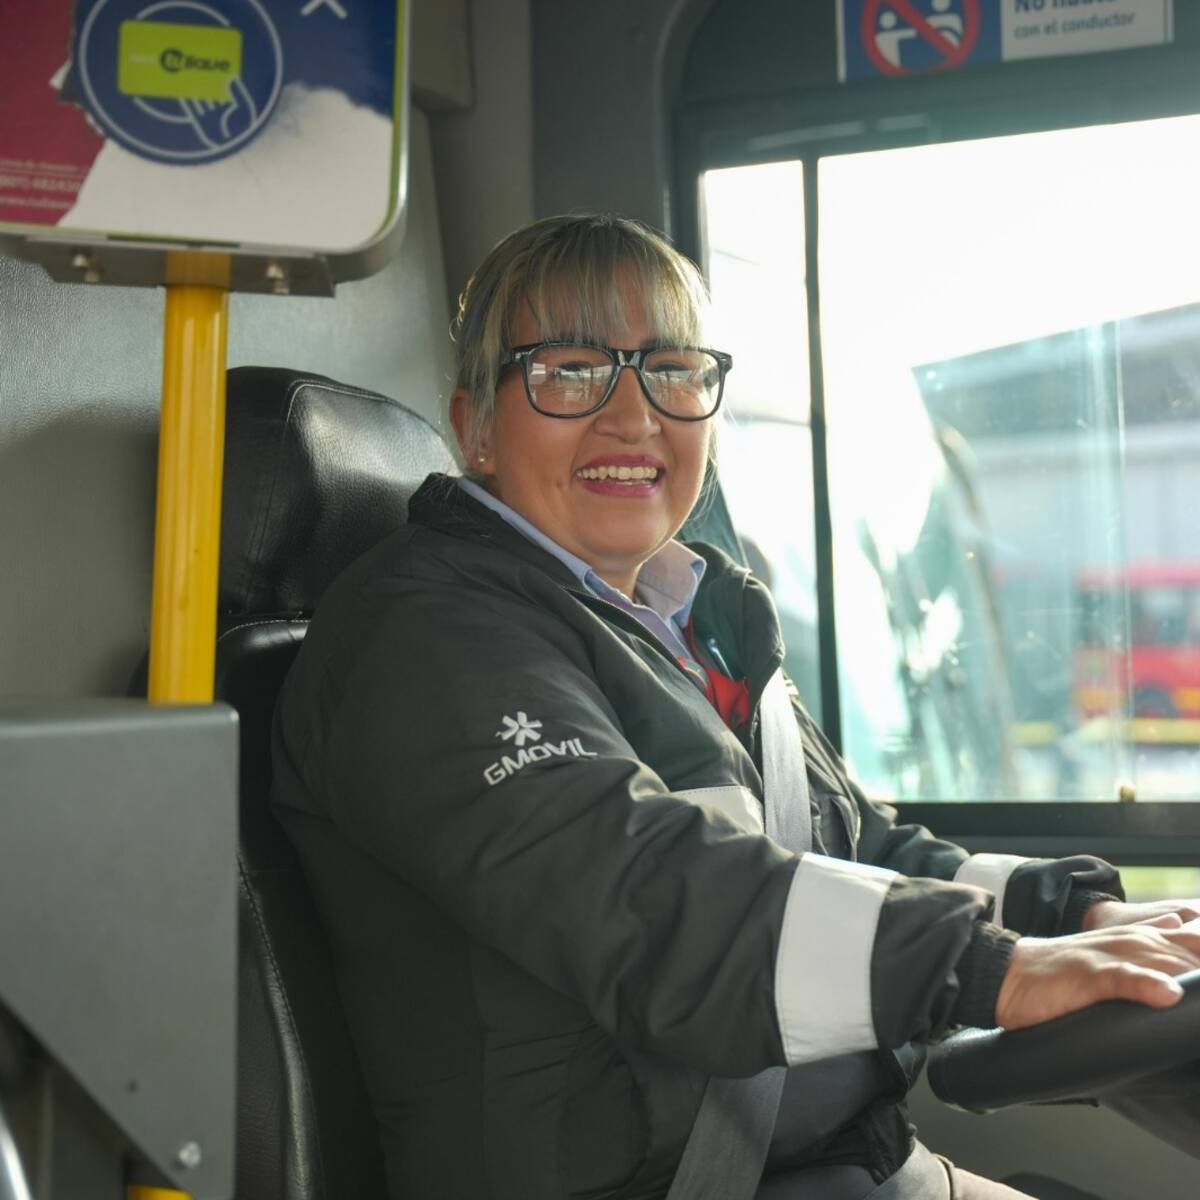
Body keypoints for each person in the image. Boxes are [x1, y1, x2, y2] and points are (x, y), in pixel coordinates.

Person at [271, 213, 1200, 1200]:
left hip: (852, 1166)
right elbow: (643, 893)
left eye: (671, 370)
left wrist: (1078, 912)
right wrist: (987, 968)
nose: (634, 417)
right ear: (475, 426)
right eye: (571, 370)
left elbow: (851, 849)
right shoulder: (420, 638)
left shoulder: (694, 619)